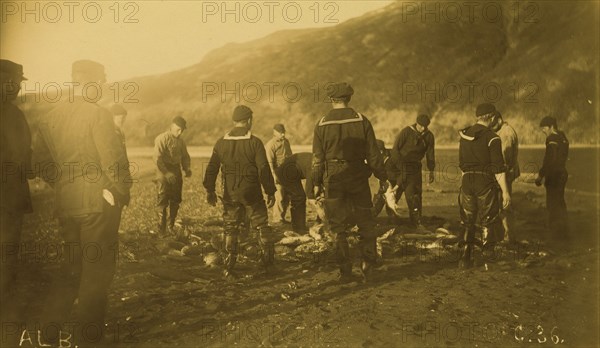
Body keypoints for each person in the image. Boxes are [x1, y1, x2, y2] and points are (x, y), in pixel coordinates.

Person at [33, 60, 131, 344]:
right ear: (90, 82)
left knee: (71, 266)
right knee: (96, 271)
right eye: (101, 81)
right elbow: (112, 162)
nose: (103, 87)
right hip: (97, 203)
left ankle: (49, 333)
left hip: (67, 203)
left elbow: (40, 163)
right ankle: (87, 339)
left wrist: (65, 184)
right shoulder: (98, 115)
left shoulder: (50, 117)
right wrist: (120, 194)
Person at [312, 82, 388, 282]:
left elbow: (317, 159)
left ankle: (345, 271)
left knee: (337, 227)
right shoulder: (362, 121)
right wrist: (382, 176)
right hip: (357, 175)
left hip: (333, 177)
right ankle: (368, 267)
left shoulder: (321, 124)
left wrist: (316, 183)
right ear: (349, 98)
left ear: (331, 100)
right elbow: (373, 156)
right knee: (365, 222)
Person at [203, 105, 277, 278]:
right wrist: (270, 191)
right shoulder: (255, 142)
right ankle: (268, 264)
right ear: (249, 120)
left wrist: (210, 190)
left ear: (234, 121)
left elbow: (212, 168)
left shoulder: (221, 142)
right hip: (252, 193)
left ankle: (229, 266)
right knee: (262, 227)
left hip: (230, 193)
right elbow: (264, 168)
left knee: (230, 228)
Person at [458, 103, 511, 268]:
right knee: (488, 220)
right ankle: (488, 260)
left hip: (466, 181)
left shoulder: (464, 135)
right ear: (493, 117)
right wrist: (506, 192)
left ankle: (465, 259)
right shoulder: (493, 138)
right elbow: (498, 169)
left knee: (467, 221)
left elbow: (461, 165)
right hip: (484, 182)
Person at [0, 59, 33, 318]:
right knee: (7, 251)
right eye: (15, 83)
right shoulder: (12, 115)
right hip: (8, 198)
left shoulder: (13, 113)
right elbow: (23, 157)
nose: (19, 89)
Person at [390, 114, 435, 230]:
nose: (423, 129)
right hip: (400, 166)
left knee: (414, 196)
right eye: (421, 126)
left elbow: (430, 154)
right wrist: (400, 167)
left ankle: (416, 222)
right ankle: (392, 220)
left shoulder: (429, 136)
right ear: (417, 124)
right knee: (394, 193)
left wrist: (431, 170)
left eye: (425, 126)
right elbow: (395, 150)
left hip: (415, 168)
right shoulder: (406, 132)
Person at [153, 116, 192, 235]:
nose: (180, 132)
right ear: (172, 126)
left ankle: (171, 226)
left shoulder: (181, 142)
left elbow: (185, 157)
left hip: (176, 170)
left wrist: (187, 169)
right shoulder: (161, 138)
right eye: (178, 129)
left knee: (175, 200)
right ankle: (161, 230)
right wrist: (166, 173)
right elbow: (157, 159)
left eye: (182, 130)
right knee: (163, 200)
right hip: (163, 170)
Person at [535, 116, 569, 238]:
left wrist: (540, 175)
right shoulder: (563, 137)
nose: (543, 131)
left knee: (552, 204)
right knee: (560, 202)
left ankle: (556, 234)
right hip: (562, 173)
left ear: (551, 127)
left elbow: (550, 158)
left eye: (544, 128)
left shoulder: (552, 138)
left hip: (554, 175)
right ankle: (564, 231)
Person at [491, 111, 520, 243]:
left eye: (493, 123)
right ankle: (505, 235)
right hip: (505, 172)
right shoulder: (503, 131)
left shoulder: (506, 133)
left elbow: (505, 156)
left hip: (505, 173)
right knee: (502, 204)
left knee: (505, 204)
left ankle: (508, 236)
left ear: (499, 120)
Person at [109, 104, 132, 233]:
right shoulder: (111, 132)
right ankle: (112, 233)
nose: (122, 120)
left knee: (120, 202)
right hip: (114, 174)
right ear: (112, 117)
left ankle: (114, 232)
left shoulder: (120, 131)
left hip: (122, 172)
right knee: (114, 204)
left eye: (124, 118)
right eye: (119, 118)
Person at [277, 152, 313, 233]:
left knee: (299, 196)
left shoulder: (320, 165)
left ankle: (299, 226)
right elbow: (309, 190)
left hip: (292, 171)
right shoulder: (314, 167)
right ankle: (298, 228)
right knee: (299, 197)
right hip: (285, 173)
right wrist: (314, 201)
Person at [265, 123, 293, 224]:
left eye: (283, 132)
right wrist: (273, 176)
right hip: (277, 173)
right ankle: (277, 220)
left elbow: (290, 156)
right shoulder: (271, 145)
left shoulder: (286, 142)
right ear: (275, 132)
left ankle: (282, 217)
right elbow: (269, 162)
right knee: (279, 196)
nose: (283, 135)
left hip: (287, 173)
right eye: (281, 133)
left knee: (287, 196)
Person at [371, 140, 397, 223]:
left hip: (397, 183)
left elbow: (400, 173)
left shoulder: (393, 158)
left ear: (381, 151)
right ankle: (372, 217)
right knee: (379, 199)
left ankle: (393, 220)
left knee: (390, 202)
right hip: (386, 182)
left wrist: (394, 186)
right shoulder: (379, 158)